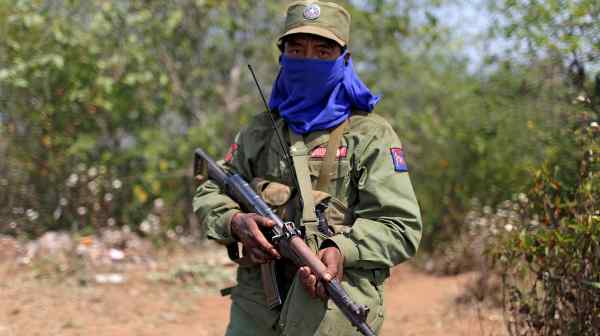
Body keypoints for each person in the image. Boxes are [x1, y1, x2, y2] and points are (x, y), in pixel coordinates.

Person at [194, 1, 422, 335]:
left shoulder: (371, 135)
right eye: (296, 50)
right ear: (282, 58)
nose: (308, 61)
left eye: (322, 52)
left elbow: (401, 226)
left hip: (332, 308)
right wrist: (235, 221)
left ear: (344, 60)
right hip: (257, 307)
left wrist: (341, 250)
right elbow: (212, 190)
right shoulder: (259, 132)